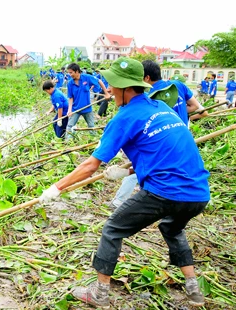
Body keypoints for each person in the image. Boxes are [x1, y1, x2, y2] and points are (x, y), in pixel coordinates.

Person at [39, 57, 209, 308]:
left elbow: (90, 165)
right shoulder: (162, 109)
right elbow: (163, 151)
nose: (109, 90)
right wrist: (127, 169)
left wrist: (56, 188)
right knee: (172, 228)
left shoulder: (125, 117)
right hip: (198, 194)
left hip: (164, 192)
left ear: (125, 88)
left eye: (112, 85)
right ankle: (194, 289)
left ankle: (99, 293)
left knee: (112, 229)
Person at [108, 60, 207, 209]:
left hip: (159, 139)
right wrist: (179, 118)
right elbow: (195, 107)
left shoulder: (151, 97)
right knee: (186, 166)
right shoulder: (177, 86)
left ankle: (122, 201)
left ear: (146, 78)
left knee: (150, 166)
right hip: (180, 134)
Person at [66, 63, 111, 138]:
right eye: (69, 73)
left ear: (77, 71)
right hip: (75, 109)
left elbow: (99, 81)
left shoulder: (86, 78)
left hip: (87, 109)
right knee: (69, 127)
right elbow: (70, 97)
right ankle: (67, 144)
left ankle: (93, 141)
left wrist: (106, 93)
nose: (70, 74)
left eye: (71, 72)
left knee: (91, 127)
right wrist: (69, 110)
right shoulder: (70, 83)